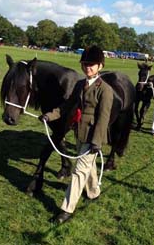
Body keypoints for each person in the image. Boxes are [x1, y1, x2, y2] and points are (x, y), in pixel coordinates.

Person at [39, 46, 114, 224]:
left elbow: (103, 118)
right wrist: (49, 115)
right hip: (79, 132)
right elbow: (67, 106)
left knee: (79, 171)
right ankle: (94, 193)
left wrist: (97, 141)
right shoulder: (80, 84)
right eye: (85, 64)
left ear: (100, 66)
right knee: (88, 168)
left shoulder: (105, 90)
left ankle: (66, 209)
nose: (87, 67)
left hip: (93, 136)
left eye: (92, 64)